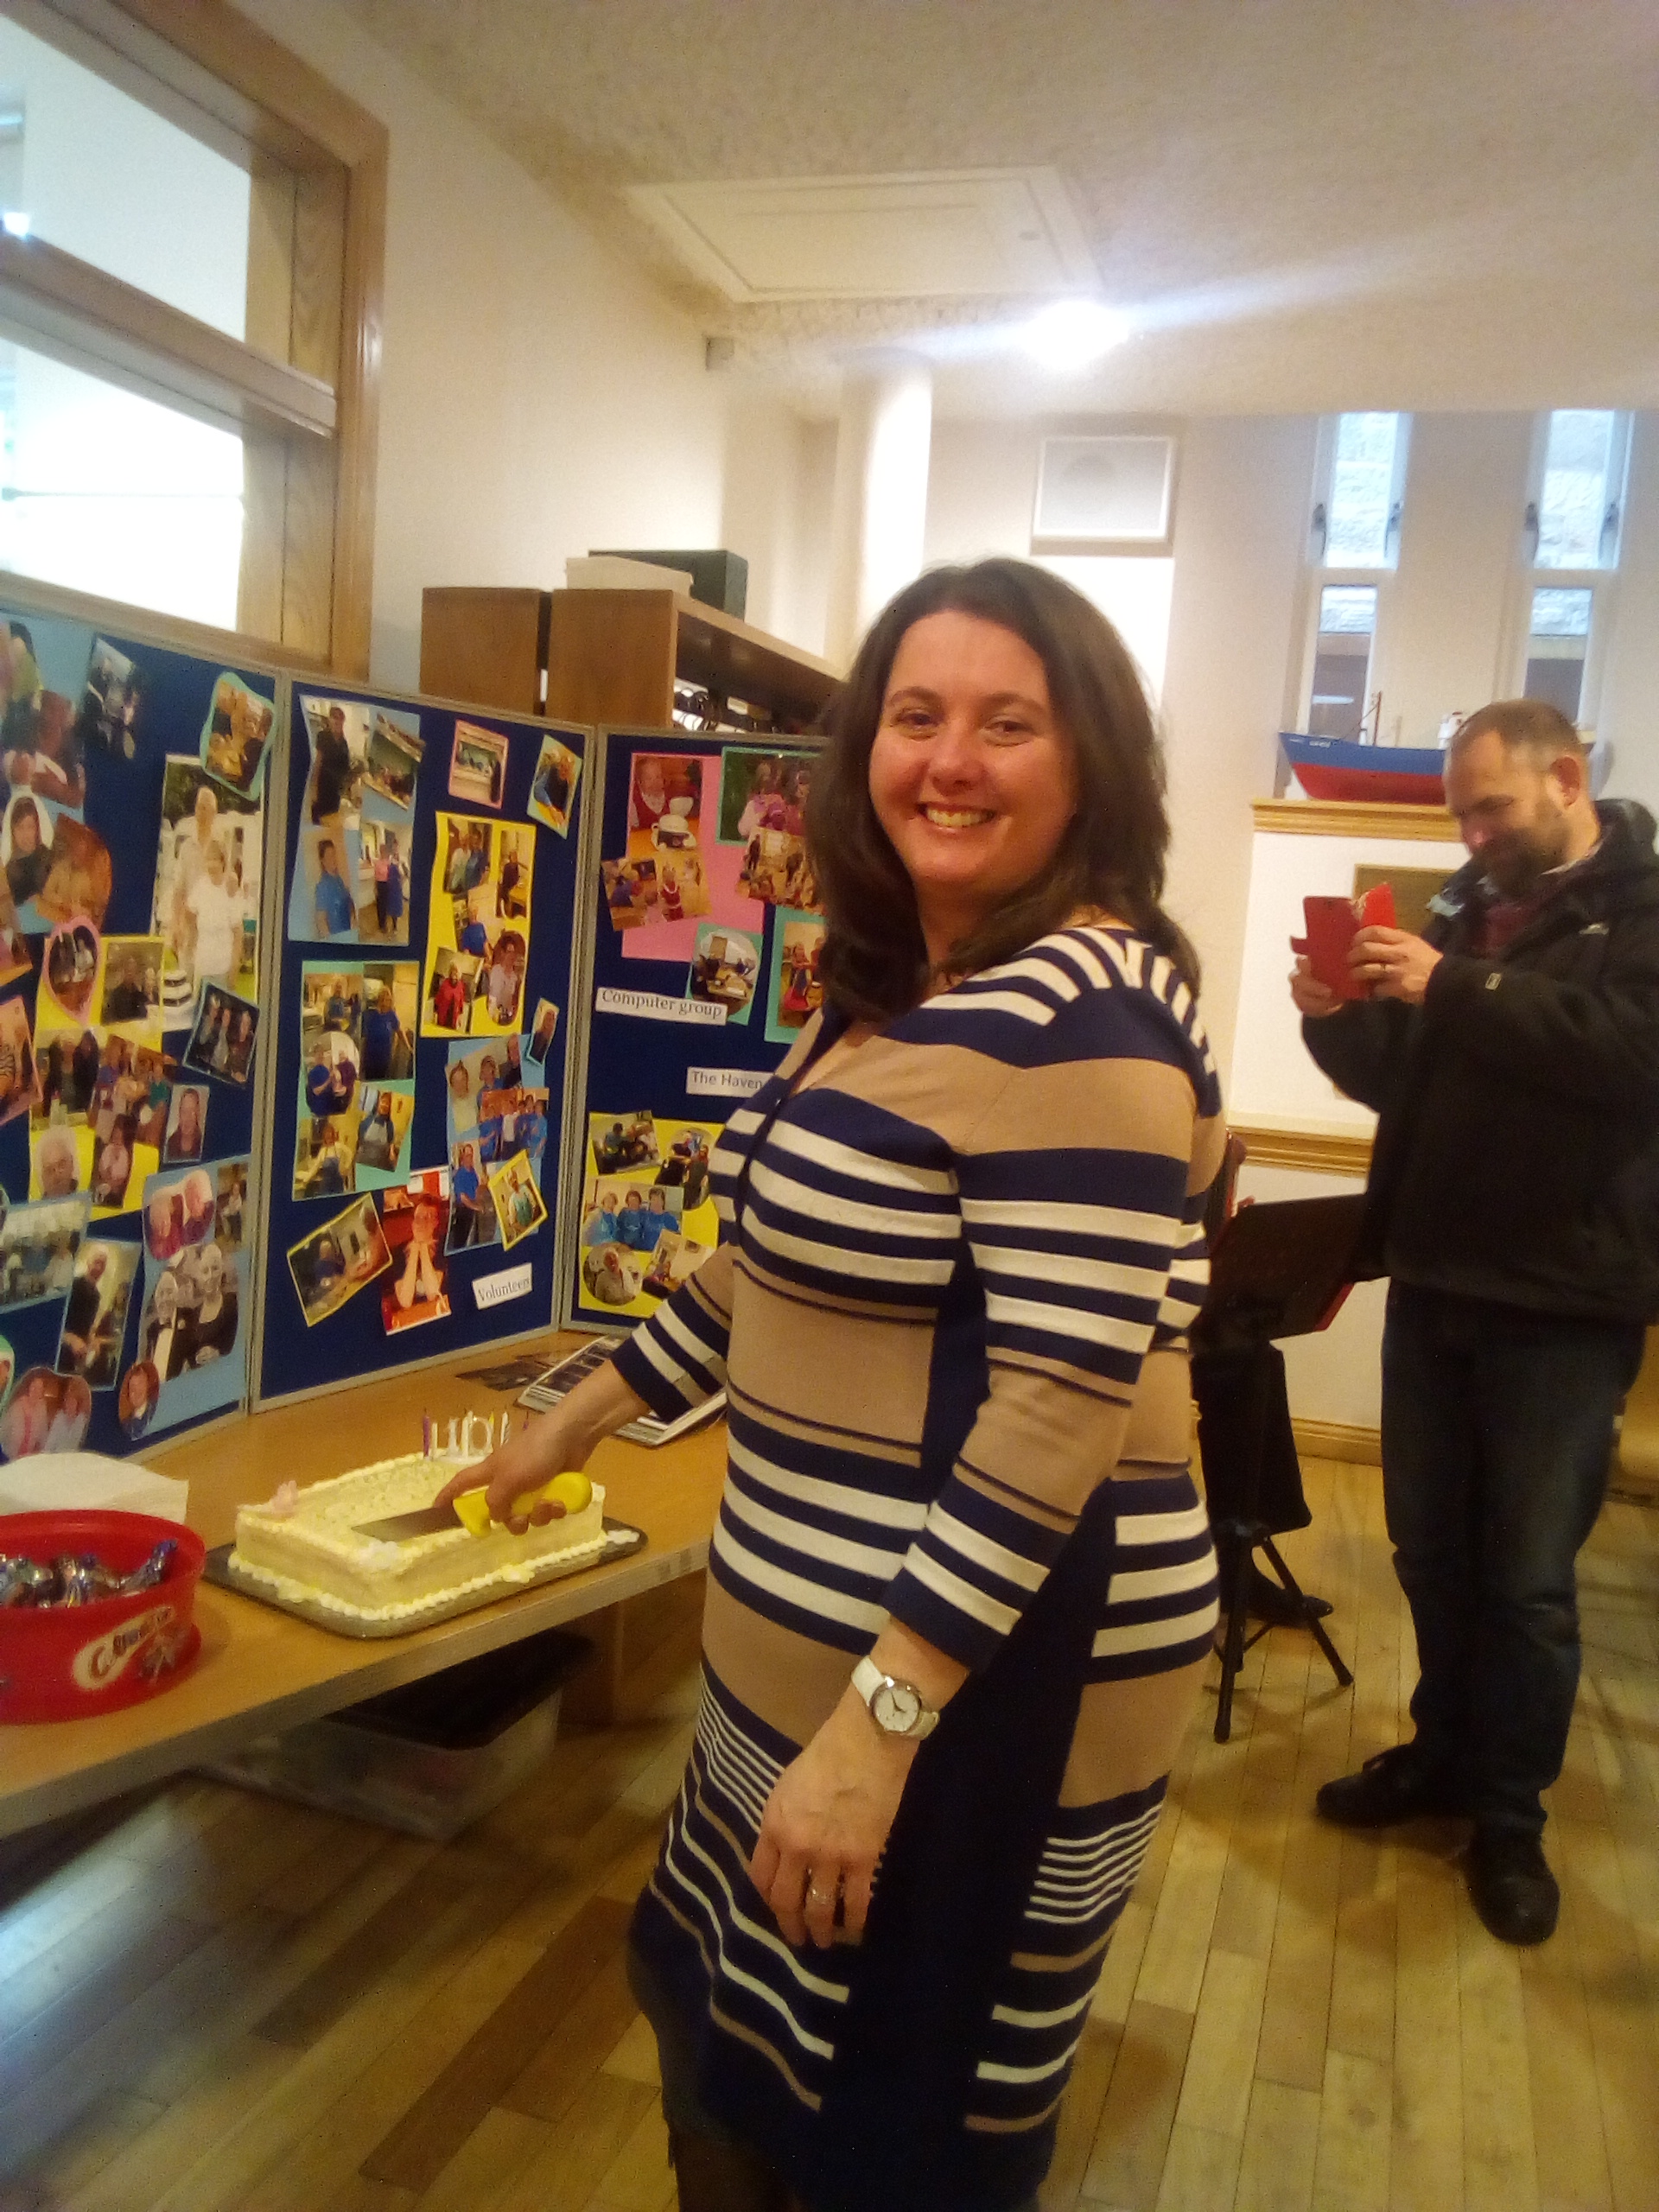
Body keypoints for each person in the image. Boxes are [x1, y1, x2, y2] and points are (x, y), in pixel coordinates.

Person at [438, 558, 1224, 2212]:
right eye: (916, 716)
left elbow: (1059, 1410)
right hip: (824, 1663)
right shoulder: (906, 991)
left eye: (1009, 724)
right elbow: (771, 1272)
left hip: (974, 1691)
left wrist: (880, 1729)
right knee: (733, 2068)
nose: (951, 760)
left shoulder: (1082, 1021)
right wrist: (573, 1416)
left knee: (877, 2139)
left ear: (1092, 761)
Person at [1290, 699, 1659, 1948]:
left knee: (1530, 1585)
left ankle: (1510, 1818)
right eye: (1459, 813)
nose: (1471, 834)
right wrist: (1337, 1016)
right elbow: (1403, 1077)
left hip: (1564, 1304)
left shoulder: (1644, 905)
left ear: (1568, 779)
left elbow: (1629, 1055)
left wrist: (1456, 982)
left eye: (1489, 808)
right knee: (1430, 1555)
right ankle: (1440, 1755)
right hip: (1437, 1282)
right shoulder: (1461, 903)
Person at [188, 840, 241, 993]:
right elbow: (191, 914)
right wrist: (191, 946)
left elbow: (238, 933)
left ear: (222, 861)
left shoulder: (231, 890)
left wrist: (234, 969)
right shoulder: (201, 885)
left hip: (222, 967)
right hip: (202, 965)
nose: (210, 864)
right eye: (208, 859)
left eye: (214, 859)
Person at [185, 1240, 237, 1363]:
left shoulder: (232, 1304)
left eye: (215, 1269)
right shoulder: (193, 1315)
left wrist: (218, 1354)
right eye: (205, 1271)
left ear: (222, 1270)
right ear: (198, 1277)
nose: (210, 1276)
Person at [59, 1247, 109, 1374]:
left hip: (76, 1358)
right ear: (88, 1262)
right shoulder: (73, 1286)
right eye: (97, 1262)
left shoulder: (96, 1296)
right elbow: (55, 1320)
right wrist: (71, 1339)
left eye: (103, 1264)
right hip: (60, 1352)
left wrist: (92, 1341)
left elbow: (87, 1327)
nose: (99, 1268)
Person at [393, 1200, 444, 1311]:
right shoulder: (399, 1252)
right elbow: (405, 1301)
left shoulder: (442, 1248)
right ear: (412, 1224)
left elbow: (432, 1294)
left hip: (438, 1310)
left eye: (427, 1218)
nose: (422, 1223)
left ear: (436, 1222)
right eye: (418, 1218)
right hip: (411, 1315)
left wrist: (424, 1247)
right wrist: (415, 1249)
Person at [311, 702, 353, 822]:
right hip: (323, 786)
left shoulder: (344, 743)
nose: (337, 721)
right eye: (334, 718)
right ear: (329, 719)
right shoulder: (323, 736)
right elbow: (318, 762)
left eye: (340, 719)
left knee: (331, 821)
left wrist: (346, 789)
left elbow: (346, 768)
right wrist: (314, 788)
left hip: (336, 791)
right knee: (318, 820)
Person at [5, 793, 49, 907]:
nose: (26, 835)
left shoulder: (50, 859)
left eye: (30, 827)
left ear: (37, 828)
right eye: (20, 827)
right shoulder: (9, 872)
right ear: (13, 831)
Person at [448, 1143, 489, 1246]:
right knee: (462, 1243)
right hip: (463, 1213)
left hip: (473, 1212)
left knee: (474, 1241)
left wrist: (484, 1187)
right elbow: (463, 1198)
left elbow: (476, 1190)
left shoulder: (473, 1172)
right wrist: (477, 1207)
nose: (470, 1158)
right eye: (467, 1155)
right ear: (462, 1157)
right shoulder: (459, 1175)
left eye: (471, 1155)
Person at [314, 838, 354, 937]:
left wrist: (353, 919)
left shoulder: (338, 879)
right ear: (323, 861)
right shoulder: (323, 886)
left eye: (334, 854)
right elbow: (321, 922)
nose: (334, 859)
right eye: (329, 856)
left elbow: (348, 902)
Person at [360, 983, 402, 1081]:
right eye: (382, 999)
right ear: (378, 1000)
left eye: (387, 1000)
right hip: (371, 1055)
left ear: (390, 1001)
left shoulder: (391, 1015)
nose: (384, 1002)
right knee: (369, 1079)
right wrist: (362, 1059)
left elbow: (399, 1031)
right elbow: (364, 1037)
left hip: (384, 1055)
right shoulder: (370, 1014)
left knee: (382, 1079)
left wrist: (409, 1047)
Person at [356, 1090, 398, 1170]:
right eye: (383, 1102)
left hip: (380, 1164)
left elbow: (391, 1142)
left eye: (387, 1104)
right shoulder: (368, 1120)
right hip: (363, 1161)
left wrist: (392, 1153)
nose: (385, 1105)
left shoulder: (389, 1125)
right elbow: (359, 1138)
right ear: (378, 1103)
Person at [165, 1088, 206, 1162]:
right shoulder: (171, 1143)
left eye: (191, 1112)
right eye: (184, 1111)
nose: (187, 1118)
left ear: (198, 1114)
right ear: (179, 1113)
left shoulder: (203, 1143)